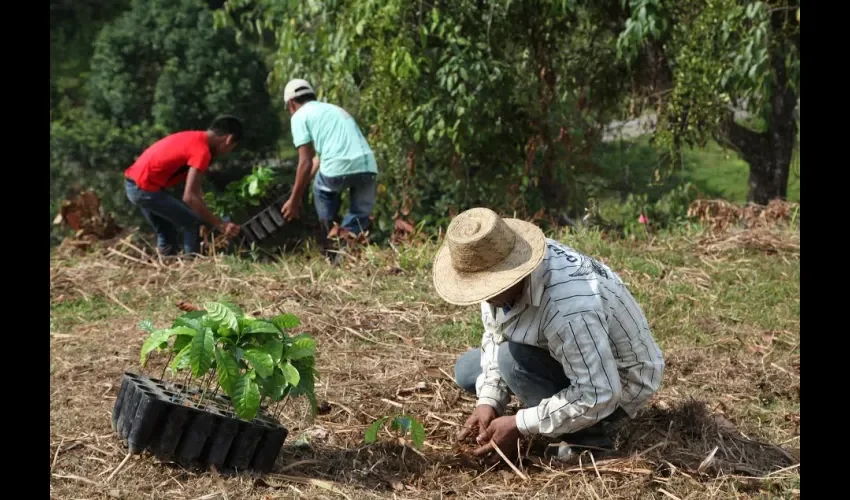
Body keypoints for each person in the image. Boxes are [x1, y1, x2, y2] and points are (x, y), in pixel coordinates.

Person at [433, 207, 665, 462]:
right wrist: (488, 401)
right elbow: (495, 334)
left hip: (620, 384)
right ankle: (543, 397)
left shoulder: (568, 307)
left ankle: (589, 438)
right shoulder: (498, 270)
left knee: (512, 361)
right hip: (568, 349)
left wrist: (520, 424)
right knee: (469, 369)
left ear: (508, 277)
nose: (483, 297)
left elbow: (600, 393)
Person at [279, 78, 378, 258]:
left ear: (291, 104)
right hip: (368, 166)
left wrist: (294, 200)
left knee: (321, 190)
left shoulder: (300, 116)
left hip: (337, 168)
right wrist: (299, 187)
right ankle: (344, 253)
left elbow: (305, 162)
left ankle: (330, 237)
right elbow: (319, 159)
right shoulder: (334, 109)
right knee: (359, 213)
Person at [124, 116, 243, 256]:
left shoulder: (194, 138)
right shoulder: (202, 151)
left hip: (135, 183)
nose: (226, 152)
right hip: (144, 188)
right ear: (228, 139)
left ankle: (166, 266)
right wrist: (221, 225)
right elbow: (189, 198)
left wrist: (211, 213)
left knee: (167, 232)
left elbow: (197, 191)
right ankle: (192, 268)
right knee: (192, 223)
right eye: (231, 148)